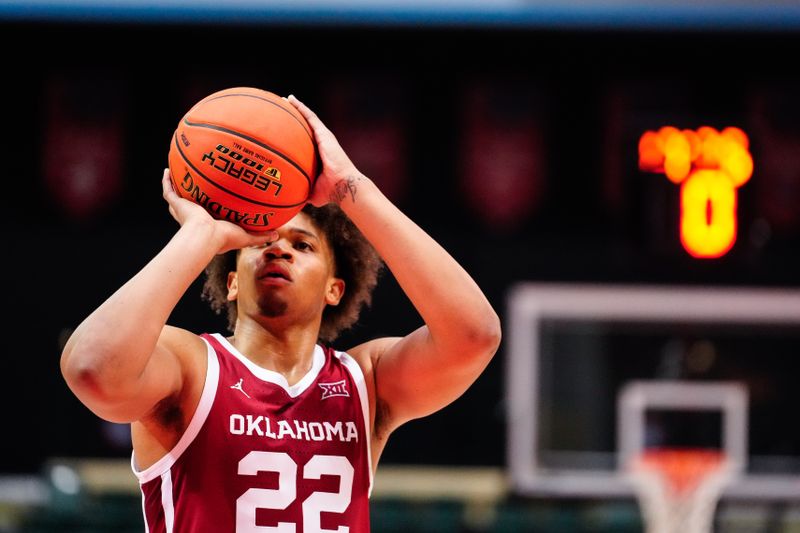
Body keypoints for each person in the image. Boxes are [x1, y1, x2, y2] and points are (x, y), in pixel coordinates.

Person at [60, 94, 501, 532]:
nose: (278, 248)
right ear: (231, 282)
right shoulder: (191, 367)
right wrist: (199, 235)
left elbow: (474, 335)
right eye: (260, 241)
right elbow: (91, 368)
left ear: (335, 289)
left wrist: (351, 188)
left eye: (303, 245)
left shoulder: (365, 382)